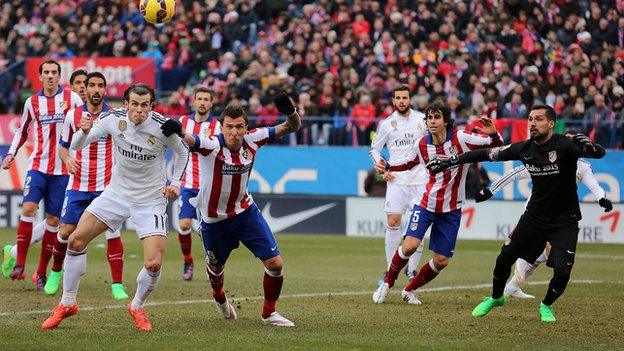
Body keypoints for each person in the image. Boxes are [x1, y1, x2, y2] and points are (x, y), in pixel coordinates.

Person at [427, 105, 606, 322]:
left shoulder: (564, 145)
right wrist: (450, 161)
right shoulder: (524, 148)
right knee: (504, 259)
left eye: (538, 119)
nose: (532, 123)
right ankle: (495, 298)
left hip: (564, 221)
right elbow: (486, 154)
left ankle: (546, 305)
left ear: (550, 123)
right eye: (530, 119)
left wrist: (591, 146)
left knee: (562, 271)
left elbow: (597, 153)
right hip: (534, 218)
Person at [42, 84, 189, 331]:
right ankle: (67, 303)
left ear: (152, 106)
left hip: (150, 199)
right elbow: (78, 145)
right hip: (116, 194)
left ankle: (137, 305)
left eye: (145, 105)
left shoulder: (164, 127)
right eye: (135, 104)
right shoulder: (113, 119)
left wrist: (176, 183)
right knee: (76, 240)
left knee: (153, 264)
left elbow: (183, 152)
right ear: (126, 104)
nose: (139, 110)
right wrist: (82, 131)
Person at [161, 92, 301, 327]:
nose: (234, 132)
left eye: (239, 127)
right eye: (229, 127)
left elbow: (292, 126)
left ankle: (269, 313)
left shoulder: (255, 139)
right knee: (216, 269)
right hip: (214, 220)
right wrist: (177, 129)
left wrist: (290, 110)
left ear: (247, 128)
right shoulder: (212, 144)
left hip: (245, 213)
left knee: (275, 264)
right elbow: (190, 139)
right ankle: (219, 297)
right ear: (221, 127)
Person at [372, 99, 503, 305]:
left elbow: (495, 147)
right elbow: (407, 163)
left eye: (436, 117)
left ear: (446, 121)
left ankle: (409, 289)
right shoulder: (421, 144)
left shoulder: (461, 138)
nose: (432, 121)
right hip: (426, 203)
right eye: (429, 118)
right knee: (409, 246)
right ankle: (387, 283)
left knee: (442, 260)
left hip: (451, 208)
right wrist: (388, 165)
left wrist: (493, 133)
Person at [474, 131, 613, 299]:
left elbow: (594, 184)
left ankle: (512, 286)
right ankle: (521, 264)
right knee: (538, 249)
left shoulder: (582, 165)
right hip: (536, 211)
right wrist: (491, 189)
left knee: (548, 253)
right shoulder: (545, 157)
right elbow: (515, 173)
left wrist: (602, 198)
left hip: (560, 215)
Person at [42, 71, 129, 300]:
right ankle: (55, 272)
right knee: (65, 231)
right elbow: (63, 146)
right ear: (86, 89)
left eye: (101, 85)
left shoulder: (115, 116)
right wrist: (67, 158)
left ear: (105, 89)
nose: (96, 89)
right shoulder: (72, 115)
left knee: (113, 230)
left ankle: (117, 284)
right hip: (78, 185)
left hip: (107, 186)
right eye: (92, 85)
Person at [1, 60, 82, 286]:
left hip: (62, 170)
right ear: (40, 77)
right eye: (46, 72)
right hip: (38, 165)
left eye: (54, 72)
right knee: (28, 208)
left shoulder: (72, 99)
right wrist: (10, 154)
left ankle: (41, 272)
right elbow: (22, 131)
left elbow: (82, 127)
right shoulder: (32, 102)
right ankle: (19, 264)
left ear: (59, 76)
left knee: (53, 221)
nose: (50, 76)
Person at [369, 85, 428, 293]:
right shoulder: (386, 124)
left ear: (410, 99)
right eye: (398, 98)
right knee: (393, 221)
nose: (402, 101)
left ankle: (412, 270)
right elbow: (374, 150)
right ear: (393, 101)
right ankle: (389, 270)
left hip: (421, 179)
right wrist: (380, 167)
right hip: (396, 179)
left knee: (417, 225)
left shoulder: (422, 120)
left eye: (405, 97)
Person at [176, 87, 221, 281]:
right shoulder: (183, 122)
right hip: (188, 183)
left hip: (208, 185)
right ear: (193, 101)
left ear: (212, 103)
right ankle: (188, 260)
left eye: (206, 99)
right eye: (199, 99)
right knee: (184, 225)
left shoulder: (217, 126)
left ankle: (212, 262)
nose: (202, 102)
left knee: (207, 230)